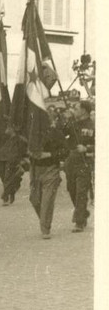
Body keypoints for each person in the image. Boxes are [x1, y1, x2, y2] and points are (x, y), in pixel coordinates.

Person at [29, 113, 66, 240]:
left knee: (47, 199)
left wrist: (49, 154)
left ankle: (45, 227)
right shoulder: (32, 134)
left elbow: (65, 151)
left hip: (51, 169)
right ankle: (44, 219)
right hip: (35, 169)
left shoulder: (57, 134)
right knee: (34, 199)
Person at [64, 100, 94, 233]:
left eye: (76, 108)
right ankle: (83, 213)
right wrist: (67, 119)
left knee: (81, 191)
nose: (74, 110)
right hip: (71, 160)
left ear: (84, 111)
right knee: (72, 189)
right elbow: (62, 133)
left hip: (84, 161)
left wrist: (87, 148)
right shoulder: (73, 124)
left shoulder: (93, 126)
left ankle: (79, 222)